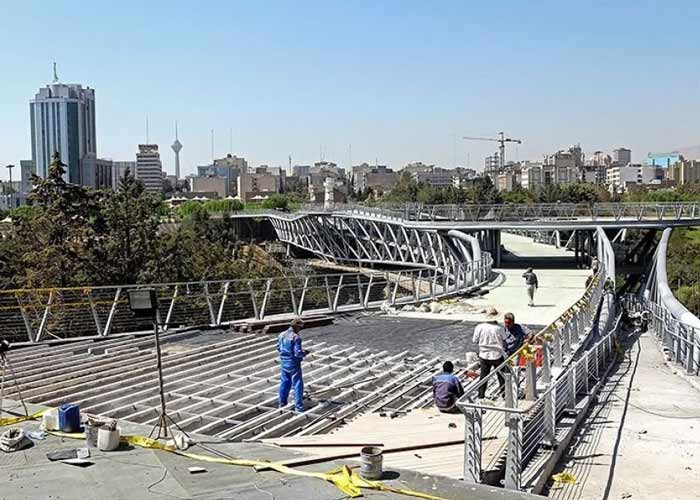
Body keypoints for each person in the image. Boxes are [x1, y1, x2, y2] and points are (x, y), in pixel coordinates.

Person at [277, 318, 308, 412]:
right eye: (300, 328)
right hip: (293, 363)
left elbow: (278, 347)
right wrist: (304, 353)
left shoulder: (281, 335)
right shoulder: (296, 337)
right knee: (297, 384)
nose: (300, 330)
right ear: (296, 326)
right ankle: (298, 407)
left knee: (284, 383)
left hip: (283, 362)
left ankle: (282, 404)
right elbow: (297, 353)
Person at [472, 319, 507, 399]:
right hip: (497, 355)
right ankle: (504, 394)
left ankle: (481, 395)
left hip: (484, 355)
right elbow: (504, 340)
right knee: (501, 376)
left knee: (483, 376)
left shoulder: (479, 327)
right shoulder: (499, 328)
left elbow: (475, 340)